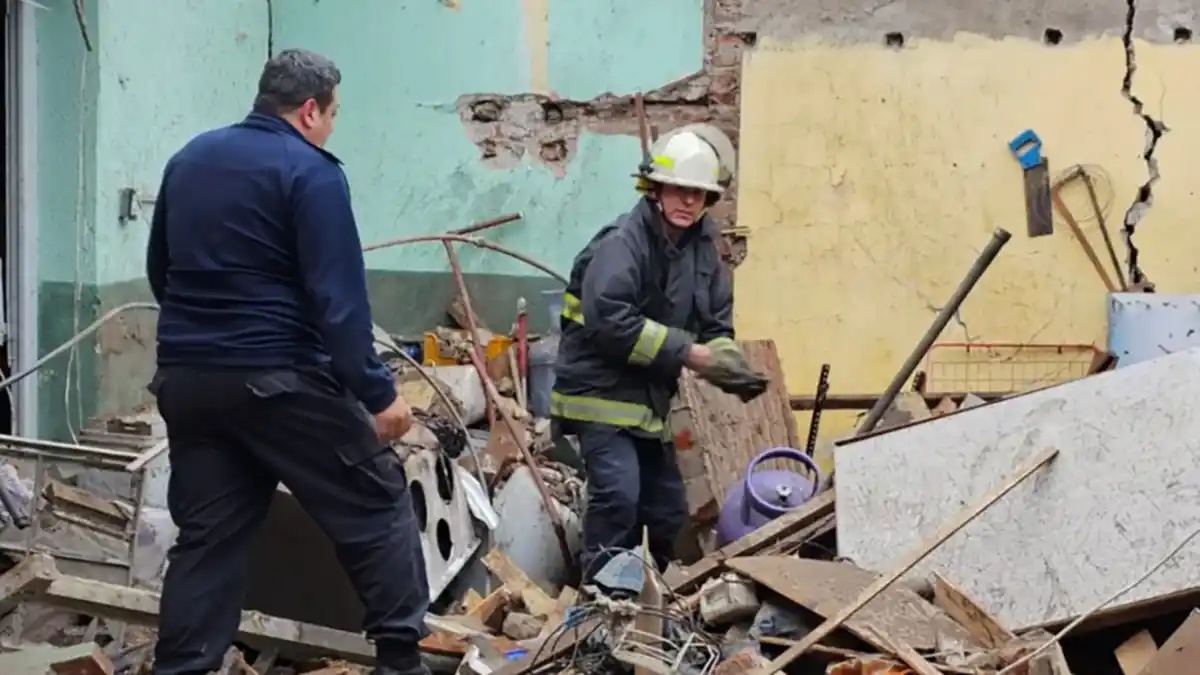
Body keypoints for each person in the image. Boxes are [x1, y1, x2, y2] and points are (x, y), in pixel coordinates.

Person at [145, 49, 429, 675]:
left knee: (209, 541)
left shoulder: (188, 159)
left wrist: (207, 337)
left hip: (189, 382)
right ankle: (402, 661)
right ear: (309, 110)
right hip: (278, 380)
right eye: (332, 115)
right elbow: (339, 304)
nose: (332, 126)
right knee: (379, 505)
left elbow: (159, 271)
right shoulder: (313, 172)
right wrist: (379, 395)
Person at [550, 126, 768, 584]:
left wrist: (727, 360)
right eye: (680, 190)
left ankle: (655, 603)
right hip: (599, 395)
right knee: (619, 496)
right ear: (656, 189)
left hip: (649, 404)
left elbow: (715, 323)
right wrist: (692, 354)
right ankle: (600, 604)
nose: (688, 202)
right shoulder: (622, 243)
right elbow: (612, 320)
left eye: (699, 194)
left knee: (668, 511)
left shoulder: (702, 250)